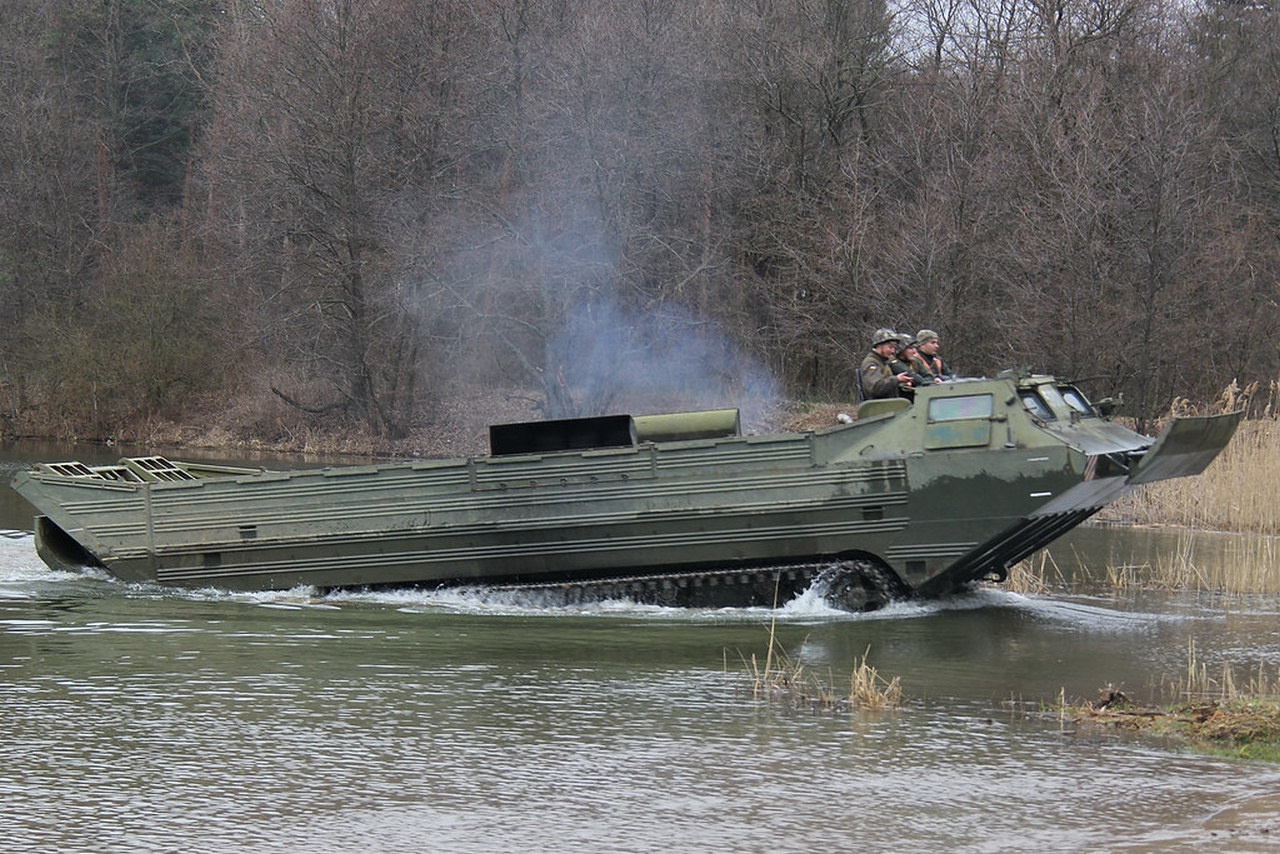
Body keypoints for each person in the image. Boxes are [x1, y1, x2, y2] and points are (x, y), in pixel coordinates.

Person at [860, 328, 912, 400]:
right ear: (880, 345)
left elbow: (886, 385)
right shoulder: (871, 363)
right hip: (879, 406)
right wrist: (896, 379)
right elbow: (874, 388)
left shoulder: (883, 362)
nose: (893, 351)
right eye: (890, 347)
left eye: (894, 348)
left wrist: (902, 384)